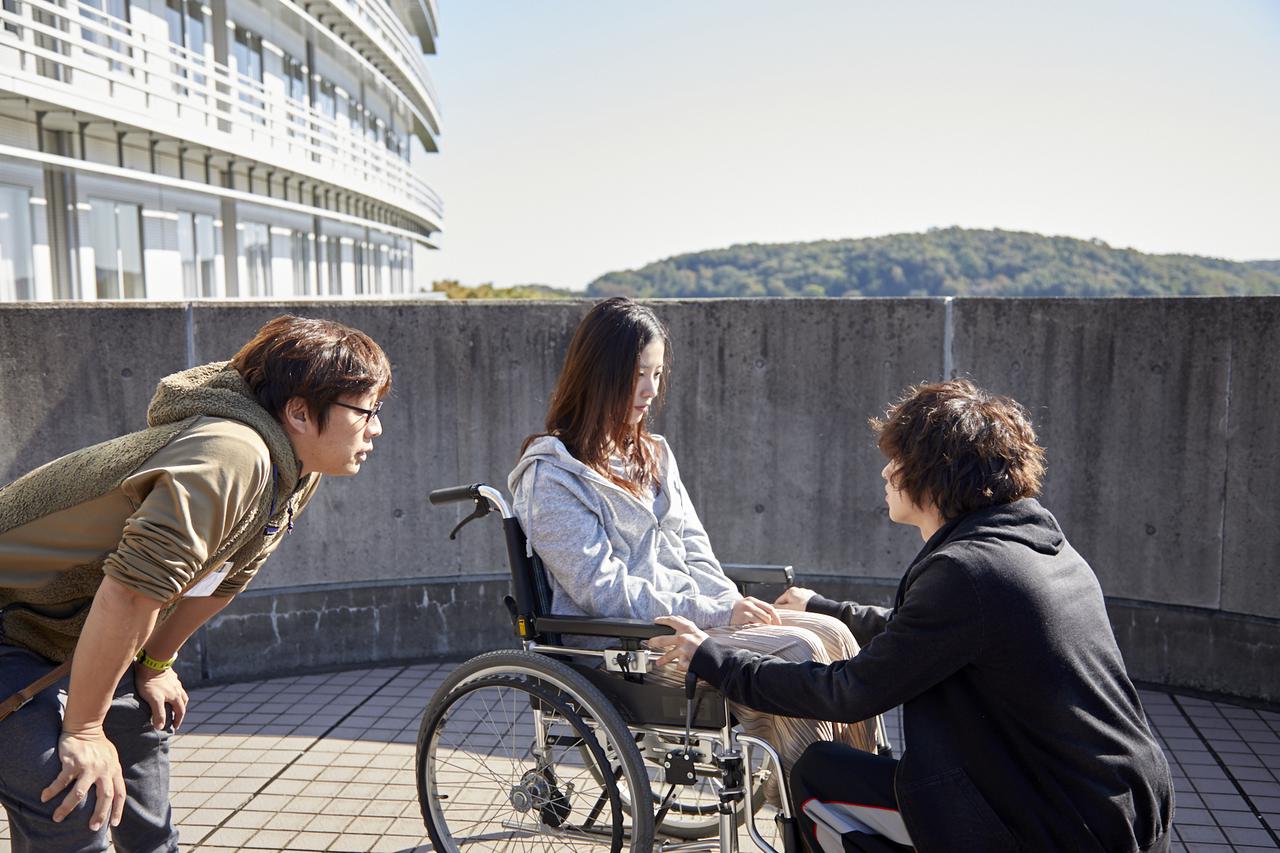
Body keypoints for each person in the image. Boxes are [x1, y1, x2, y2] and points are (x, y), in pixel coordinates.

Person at [652, 379, 1174, 853]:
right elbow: (925, 640)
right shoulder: (1032, 546)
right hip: (1120, 807)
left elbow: (851, 692)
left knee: (817, 773)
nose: (886, 471)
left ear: (934, 473)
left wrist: (717, 660)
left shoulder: (967, 572)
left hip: (1057, 826)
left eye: (898, 459)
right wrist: (824, 608)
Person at [0, 315, 391, 852]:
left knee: (142, 722)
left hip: (58, 631)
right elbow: (133, 591)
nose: (376, 429)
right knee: (72, 791)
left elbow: (224, 578)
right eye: (366, 412)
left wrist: (154, 662)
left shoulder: (298, 467)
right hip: (12, 626)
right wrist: (85, 730)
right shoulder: (231, 454)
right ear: (300, 412)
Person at [508, 297, 887, 802]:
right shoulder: (551, 477)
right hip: (627, 648)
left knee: (834, 632)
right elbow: (603, 591)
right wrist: (718, 613)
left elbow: (696, 551)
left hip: (691, 625)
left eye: (657, 374)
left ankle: (861, 797)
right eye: (637, 375)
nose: (650, 390)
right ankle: (809, 810)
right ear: (598, 374)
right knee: (800, 652)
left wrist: (732, 607)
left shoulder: (653, 454)